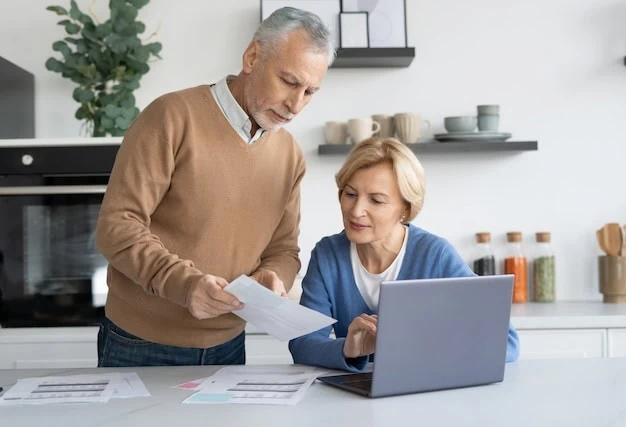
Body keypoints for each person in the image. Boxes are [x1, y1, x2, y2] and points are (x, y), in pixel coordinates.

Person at [94, 7, 334, 367]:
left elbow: (283, 250)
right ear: (252, 57)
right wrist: (185, 285)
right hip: (141, 343)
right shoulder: (171, 118)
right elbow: (117, 227)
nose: (295, 105)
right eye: (288, 81)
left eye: (310, 91)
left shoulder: (289, 154)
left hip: (230, 346)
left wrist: (274, 277)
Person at [289, 137, 520, 372]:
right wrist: (349, 350)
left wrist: (426, 346)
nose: (356, 211)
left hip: (422, 396)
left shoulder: (435, 256)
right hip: (352, 396)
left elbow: (506, 343)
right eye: (350, 194)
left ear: (406, 209)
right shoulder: (328, 255)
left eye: (376, 200)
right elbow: (302, 344)